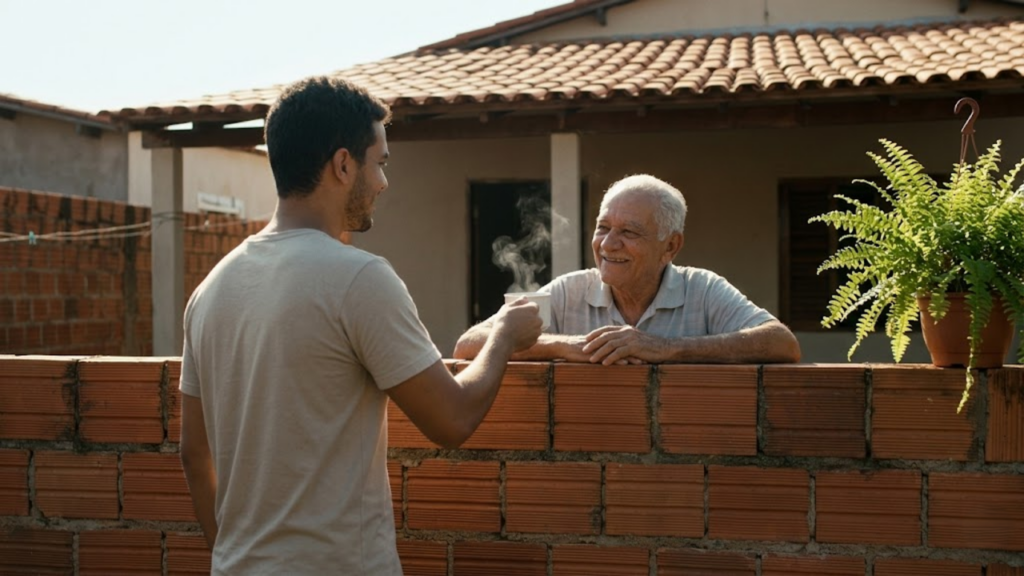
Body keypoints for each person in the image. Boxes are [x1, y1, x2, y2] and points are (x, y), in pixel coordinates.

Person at [178, 76, 542, 575]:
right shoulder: (359, 278)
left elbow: (194, 453)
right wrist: (503, 335)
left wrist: (231, 557)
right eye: (380, 162)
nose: (384, 182)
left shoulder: (211, 289)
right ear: (344, 165)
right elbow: (452, 420)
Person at [453, 174, 800, 365]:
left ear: (671, 246)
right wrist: (566, 346)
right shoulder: (568, 291)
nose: (608, 245)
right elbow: (468, 345)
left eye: (629, 232)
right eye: (603, 228)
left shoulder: (703, 289)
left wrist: (666, 348)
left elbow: (781, 343)